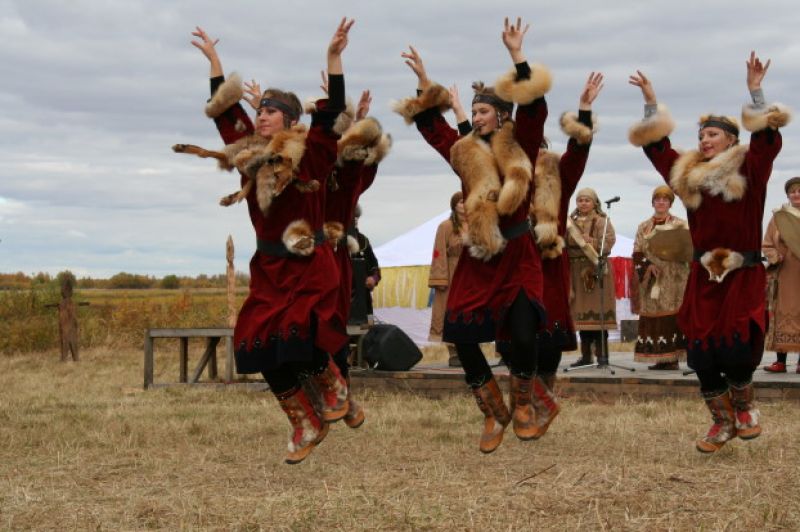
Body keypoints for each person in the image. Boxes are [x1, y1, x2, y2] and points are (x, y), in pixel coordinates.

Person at [190, 19, 355, 464]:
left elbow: (332, 111)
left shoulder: (314, 151)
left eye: (271, 111)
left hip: (308, 263)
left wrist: (334, 58)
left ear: (290, 120)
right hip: (269, 269)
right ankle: (305, 422)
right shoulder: (249, 154)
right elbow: (226, 115)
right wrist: (215, 62)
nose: (261, 116)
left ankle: (334, 384)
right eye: (259, 110)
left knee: (298, 336)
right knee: (254, 344)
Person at [395, 17, 552, 453]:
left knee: (522, 334)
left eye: (483, 111)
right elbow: (435, 130)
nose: (477, 117)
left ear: (501, 114)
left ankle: (524, 406)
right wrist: (426, 83)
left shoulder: (522, 141)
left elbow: (536, 106)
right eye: (475, 111)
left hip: (518, 253)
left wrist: (517, 55)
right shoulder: (465, 155)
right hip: (480, 258)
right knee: (461, 336)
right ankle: (492, 408)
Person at [628, 51, 790, 453]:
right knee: (701, 354)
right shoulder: (689, 179)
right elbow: (659, 149)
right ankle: (721, 421)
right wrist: (650, 103)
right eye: (701, 136)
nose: (704, 140)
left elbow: (767, 142)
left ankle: (745, 409)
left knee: (737, 349)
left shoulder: (750, 171)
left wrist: (756, 93)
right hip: (704, 278)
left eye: (712, 135)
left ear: (732, 141)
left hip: (743, 275)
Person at [631, 185, 689, 370]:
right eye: (658, 199)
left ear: (670, 203)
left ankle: (672, 358)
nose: (661, 202)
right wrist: (648, 266)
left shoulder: (680, 224)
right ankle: (659, 356)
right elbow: (637, 252)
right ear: (653, 203)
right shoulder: (643, 226)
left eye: (665, 199)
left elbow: (689, 250)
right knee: (654, 315)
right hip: (652, 278)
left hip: (675, 278)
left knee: (673, 313)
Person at [566, 187, 617, 366]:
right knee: (582, 316)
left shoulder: (602, 221)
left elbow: (609, 242)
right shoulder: (569, 222)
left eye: (587, 200)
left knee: (598, 316)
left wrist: (593, 241)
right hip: (575, 271)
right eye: (580, 200)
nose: (583, 203)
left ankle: (603, 357)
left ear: (595, 202)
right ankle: (586, 356)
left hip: (596, 269)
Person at [762, 176, 800, 373]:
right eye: (792, 191)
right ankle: (780, 362)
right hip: (784, 274)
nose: (796, 194)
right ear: (788, 195)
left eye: (799, 190)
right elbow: (767, 243)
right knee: (781, 313)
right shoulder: (778, 218)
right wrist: (775, 256)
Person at [428, 191, 466, 367]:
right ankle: (453, 352)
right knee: (449, 310)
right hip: (451, 273)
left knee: (469, 311)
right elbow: (438, 252)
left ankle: (468, 349)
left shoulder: (476, 225)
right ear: (454, 205)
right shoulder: (445, 226)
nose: (464, 205)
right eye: (460, 202)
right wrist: (440, 279)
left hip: (470, 275)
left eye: (466, 201)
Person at [351, 204, 381, 315]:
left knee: (364, 330)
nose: (355, 220)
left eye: (356, 217)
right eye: (352, 216)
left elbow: (375, 267)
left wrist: (373, 278)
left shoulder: (363, 241)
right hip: (341, 299)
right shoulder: (336, 241)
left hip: (363, 299)